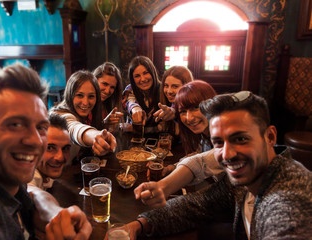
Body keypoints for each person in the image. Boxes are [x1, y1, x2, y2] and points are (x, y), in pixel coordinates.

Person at [127, 91, 312, 240]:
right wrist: (139, 224)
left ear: (270, 137)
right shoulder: (246, 178)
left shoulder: (289, 202)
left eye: (240, 139)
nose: (227, 154)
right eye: (218, 143)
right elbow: (197, 205)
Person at [0, 63, 92, 240]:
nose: (36, 140)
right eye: (15, 124)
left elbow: (31, 193)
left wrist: (54, 211)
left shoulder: (7, 178)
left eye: (41, 127)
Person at [135, 80, 223, 208]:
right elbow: (198, 154)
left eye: (196, 108)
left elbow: (200, 161)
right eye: (183, 111)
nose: (189, 118)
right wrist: (171, 168)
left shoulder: (228, 139)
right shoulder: (203, 134)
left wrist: (162, 187)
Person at [51, 70, 117, 157]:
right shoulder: (60, 115)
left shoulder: (90, 114)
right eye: (79, 95)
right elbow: (74, 128)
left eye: (91, 96)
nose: (85, 103)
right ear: (70, 94)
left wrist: (105, 124)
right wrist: (95, 136)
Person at [28, 112, 71, 190]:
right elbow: (31, 190)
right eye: (50, 148)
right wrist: (45, 201)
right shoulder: (28, 175)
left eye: (65, 148)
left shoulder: (45, 170)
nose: (60, 157)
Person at [122, 56, 161, 133]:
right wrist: (135, 109)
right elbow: (130, 101)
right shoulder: (130, 89)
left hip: (159, 140)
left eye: (145, 73)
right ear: (132, 79)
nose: (142, 79)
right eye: (137, 76)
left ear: (152, 72)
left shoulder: (163, 89)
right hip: (134, 138)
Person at [154, 65, 194, 135]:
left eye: (175, 86)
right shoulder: (173, 102)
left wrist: (174, 113)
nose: (169, 91)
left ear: (187, 86)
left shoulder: (195, 105)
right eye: (166, 86)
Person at [93, 62, 124, 131]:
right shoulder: (85, 104)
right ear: (95, 80)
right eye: (104, 84)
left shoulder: (107, 105)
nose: (107, 91)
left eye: (112, 87)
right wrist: (105, 124)